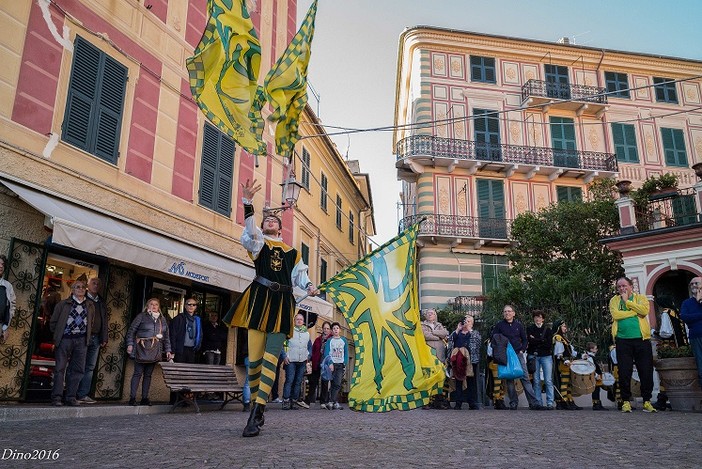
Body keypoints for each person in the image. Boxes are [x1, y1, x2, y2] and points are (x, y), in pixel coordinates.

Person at [224, 179, 318, 437]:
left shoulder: (293, 252)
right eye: (267, 220)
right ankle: (257, 405)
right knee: (254, 362)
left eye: (275, 221)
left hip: (281, 305)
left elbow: (301, 277)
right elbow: (251, 232)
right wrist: (247, 203)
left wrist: (310, 287)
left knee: (270, 360)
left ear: (281, 228)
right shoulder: (258, 244)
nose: (271, 222)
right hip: (259, 300)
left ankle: (256, 412)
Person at [609, 276, 656, 413]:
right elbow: (616, 315)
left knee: (646, 370)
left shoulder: (640, 298)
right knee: (624, 371)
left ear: (631, 287)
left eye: (624, 286)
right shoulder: (614, 300)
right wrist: (633, 312)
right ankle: (626, 401)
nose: (622, 289)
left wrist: (628, 303)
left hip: (641, 339)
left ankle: (647, 401)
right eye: (619, 287)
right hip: (623, 340)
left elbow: (644, 311)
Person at [49, 279, 95, 406]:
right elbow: (53, 323)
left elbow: (90, 323)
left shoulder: (90, 305)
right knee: (60, 368)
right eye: (77, 287)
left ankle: (70, 397)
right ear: (72, 290)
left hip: (81, 340)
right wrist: (58, 335)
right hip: (65, 339)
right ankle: (57, 397)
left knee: (77, 369)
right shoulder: (63, 304)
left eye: (83, 287)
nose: (80, 289)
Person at [492, 305, 544, 410]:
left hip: (518, 354)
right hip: (506, 355)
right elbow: (494, 338)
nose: (507, 313)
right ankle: (513, 403)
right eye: (505, 311)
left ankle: (533, 403)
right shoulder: (499, 325)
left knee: (525, 377)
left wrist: (522, 349)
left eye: (509, 311)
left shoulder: (518, 325)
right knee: (510, 379)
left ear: (513, 313)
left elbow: (525, 339)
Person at [126, 298, 173, 406]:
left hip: (155, 349)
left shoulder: (162, 319)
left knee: (148, 375)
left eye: (156, 304)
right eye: (151, 304)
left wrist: (168, 350)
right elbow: (131, 331)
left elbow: (166, 337)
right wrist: (130, 344)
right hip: (141, 348)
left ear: (159, 307)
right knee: (137, 373)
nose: (154, 306)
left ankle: (144, 398)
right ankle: (132, 398)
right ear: (147, 306)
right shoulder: (141, 316)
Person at [75, 277, 108, 404]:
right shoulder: (83, 299)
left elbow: (104, 320)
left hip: (96, 338)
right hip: (83, 337)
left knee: (90, 367)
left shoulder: (101, 301)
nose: (96, 285)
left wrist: (104, 337)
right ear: (88, 285)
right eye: (93, 283)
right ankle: (72, 393)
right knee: (78, 365)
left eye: (98, 284)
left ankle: (83, 394)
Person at [448, 316, 481, 410]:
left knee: (471, 382)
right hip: (458, 360)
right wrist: (457, 330)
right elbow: (450, 341)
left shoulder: (474, 333)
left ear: (472, 323)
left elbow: (477, 343)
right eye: (465, 321)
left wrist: (470, 330)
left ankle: (472, 402)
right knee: (458, 381)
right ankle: (458, 403)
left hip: (470, 360)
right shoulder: (457, 333)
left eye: (469, 321)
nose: (466, 323)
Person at [281, 313, 312, 410]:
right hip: (291, 360)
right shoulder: (289, 332)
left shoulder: (307, 333)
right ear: (294, 321)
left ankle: (294, 401)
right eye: (297, 319)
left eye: (301, 319)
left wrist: (308, 355)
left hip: (302, 360)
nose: (299, 321)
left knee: (298, 382)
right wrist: (284, 356)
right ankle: (286, 400)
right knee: (289, 380)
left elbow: (310, 347)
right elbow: (281, 344)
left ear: (303, 321)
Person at [421, 308, 449, 409]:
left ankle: (438, 401)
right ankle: (427, 401)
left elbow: (445, 333)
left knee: (440, 378)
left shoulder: (439, 324)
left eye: (432, 313)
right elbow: (425, 335)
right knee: (429, 378)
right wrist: (438, 336)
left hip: (440, 354)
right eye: (428, 313)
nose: (430, 315)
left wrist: (433, 332)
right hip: (429, 354)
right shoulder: (422, 325)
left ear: (435, 315)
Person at [527, 310, 555, 410]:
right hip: (534, 356)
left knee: (548, 380)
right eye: (535, 317)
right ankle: (538, 402)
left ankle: (550, 402)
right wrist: (541, 340)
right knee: (536, 380)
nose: (537, 319)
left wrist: (536, 340)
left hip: (546, 356)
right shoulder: (530, 328)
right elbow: (530, 341)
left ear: (543, 318)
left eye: (539, 317)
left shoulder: (548, 330)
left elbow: (548, 344)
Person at [552, 320, 581, 410]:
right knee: (564, 383)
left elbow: (571, 352)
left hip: (568, 364)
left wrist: (581, 355)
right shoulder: (558, 338)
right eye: (563, 326)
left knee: (568, 383)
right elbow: (558, 353)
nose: (565, 328)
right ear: (558, 328)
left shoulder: (564, 338)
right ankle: (564, 401)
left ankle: (570, 400)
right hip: (562, 365)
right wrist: (564, 360)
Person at [681, 276, 702, 388]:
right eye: (692, 284)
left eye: (696, 283)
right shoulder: (686, 303)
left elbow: (690, 317)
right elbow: (684, 317)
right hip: (696, 337)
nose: (693, 285)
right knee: (701, 367)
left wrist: (700, 301)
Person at [323, 322, 348, 410]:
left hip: (340, 364)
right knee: (332, 383)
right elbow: (326, 353)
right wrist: (330, 363)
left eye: (337, 328)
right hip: (332, 364)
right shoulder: (330, 341)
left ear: (340, 330)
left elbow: (346, 352)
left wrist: (345, 362)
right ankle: (332, 401)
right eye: (334, 328)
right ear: (332, 331)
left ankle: (332, 401)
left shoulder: (344, 340)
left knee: (337, 384)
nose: (335, 330)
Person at [307, 321, 332, 408]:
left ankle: (323, 402)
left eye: (327, 328)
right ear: (322, 329)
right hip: (316, 363)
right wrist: (310, 360)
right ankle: (308, 401)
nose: (326, 330)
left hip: (325, 364)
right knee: (313, 382)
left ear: (330, 330)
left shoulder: (332, 340)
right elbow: (313, 350)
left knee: (325, 383)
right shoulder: (318, 339)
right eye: (324, 328)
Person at [170, 296, 202, 364]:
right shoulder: (179, 318)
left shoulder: (197, 320)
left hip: (192, 349)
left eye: (194, 305)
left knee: (189, 371)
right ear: (185, 306)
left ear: (195, 307)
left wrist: (198, 346)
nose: (191, 306)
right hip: (180, 349)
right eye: (189, 304)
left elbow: (200, 334)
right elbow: (172, 335)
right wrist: (172, 350)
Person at [583, 342, 607, 410]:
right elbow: (591, 368)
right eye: (595, 348)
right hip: (595, 376)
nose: (597, 350)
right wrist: (596, 375)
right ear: (591, 349)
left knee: (597, 389)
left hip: (596, 375)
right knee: (596, 390)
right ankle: (596, 404)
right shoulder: (590, 358)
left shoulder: (590, 357)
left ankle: (597, 403)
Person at [0, 254, 17, 344]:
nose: (1, 266)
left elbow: (11, 307)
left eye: (3, 264)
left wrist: (5, 327)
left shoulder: (7, 286)